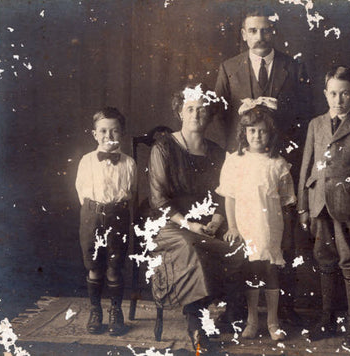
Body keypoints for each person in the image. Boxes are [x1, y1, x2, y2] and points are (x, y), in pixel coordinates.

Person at [214, 4, 312, 326]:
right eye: (252, 31)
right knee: (240, 234)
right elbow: (220, 116)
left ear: (274, 32)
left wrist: (280, 114)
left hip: (280, 163)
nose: (259, 36)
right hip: (244, 164)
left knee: (282, 236)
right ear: (243, 35)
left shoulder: (293, 67)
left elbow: (306, 116)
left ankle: (283, 310)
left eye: (265, 30)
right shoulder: (229, 68)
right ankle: (239, 310)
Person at [147, 84, 245, 352]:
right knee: (191, 247)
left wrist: (216, 220)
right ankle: (197, 328)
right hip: (171, 226)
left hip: (207, 225)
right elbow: (158, 201)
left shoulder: (216, 152)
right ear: (180, 112)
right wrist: (189, 224)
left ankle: (227, 314)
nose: (196, 115)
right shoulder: (163, 148)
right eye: (190, 109)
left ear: (210, 115)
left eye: (202, 110)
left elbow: (224, 194)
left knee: (238, 247)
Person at [297, 66, 350, 349]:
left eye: (345, 94)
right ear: (325, 95)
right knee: (324, 258)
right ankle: (326, 319)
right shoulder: (316, 124)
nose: (338, 100)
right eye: (333, 93)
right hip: (319, 202)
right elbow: (306, 166)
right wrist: (303, 206)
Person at [216, 102, 296, 341]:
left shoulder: (278, 163)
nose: (257, 135)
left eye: (262, 131)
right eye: (252, 131)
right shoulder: (235, 160)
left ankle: (273, 322)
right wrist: (232, 226)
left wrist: (287, 234)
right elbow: (229, 197)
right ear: (244, 133)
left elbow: (286, 202)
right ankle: (252, 321)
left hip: (271, 225)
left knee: (271, 270)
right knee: (252, 271)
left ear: (270, 134)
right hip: (246, 225)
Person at [75, 107, 137, 336]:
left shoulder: (129, 164)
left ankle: (115, 312)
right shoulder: (86, 161)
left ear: (122, 133)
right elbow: (81, 192)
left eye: (114, 131)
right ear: (94, 134)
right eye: (103, 131)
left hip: (118, 216)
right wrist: (95, 212)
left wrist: (112, 210)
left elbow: (130, 191)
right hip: (91, 216)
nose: (108, 137)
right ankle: (95, 311)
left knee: (114, 265)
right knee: (94, 266)